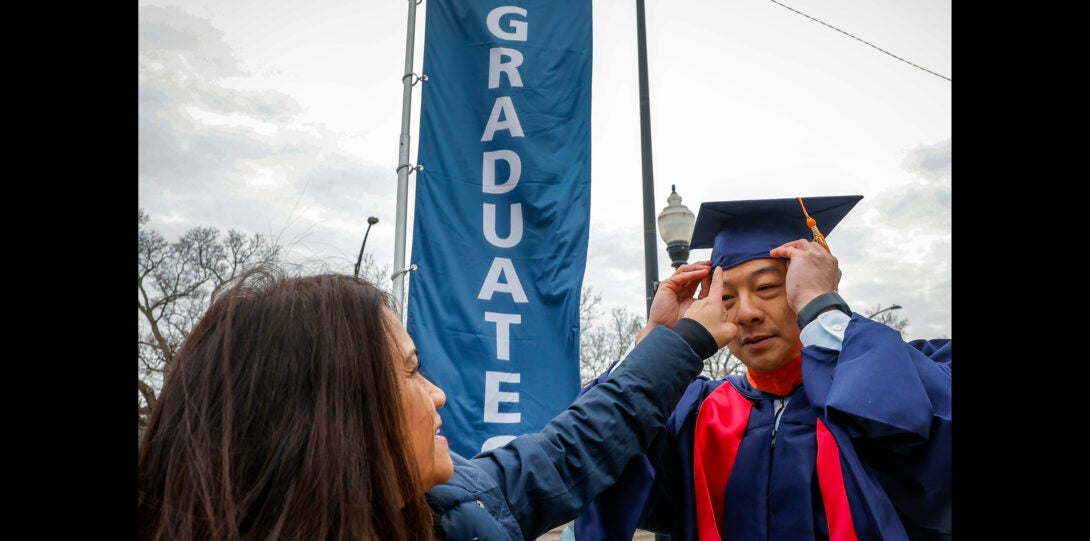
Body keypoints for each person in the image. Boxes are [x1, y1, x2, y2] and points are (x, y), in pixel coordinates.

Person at [137, 262, 737, 540]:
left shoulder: (451, 508)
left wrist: (666, 343)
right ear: (334, 418)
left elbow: (571, 448)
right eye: (411, 370)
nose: (439, 393)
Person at [573, 195, 952, 541]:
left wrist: (823, 309)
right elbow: (590, 455)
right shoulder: (694, 413)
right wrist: (658, 341)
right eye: (726, 298)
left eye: (768, 287)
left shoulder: (918, 373)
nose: (747, 313)